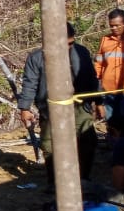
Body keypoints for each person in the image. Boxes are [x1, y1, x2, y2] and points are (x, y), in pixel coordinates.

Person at [17, 22, 99, 189]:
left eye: (71, 43)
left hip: (79, 106)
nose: (69, 47)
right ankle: (54, 182)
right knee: (49, 145)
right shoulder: (37, 57)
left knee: (87, 140)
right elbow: (30, 83)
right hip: (50, 108)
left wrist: (99, 101)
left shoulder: (81, 52)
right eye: (65, 43)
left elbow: (92, 77)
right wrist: (25, 108)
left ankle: (83, 178)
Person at [94, 8, 124, 120]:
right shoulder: (105, 40)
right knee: (112, 124)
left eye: (117, 25)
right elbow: (99, 64)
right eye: (111, 25)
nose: (114, 28)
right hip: (108, 91)